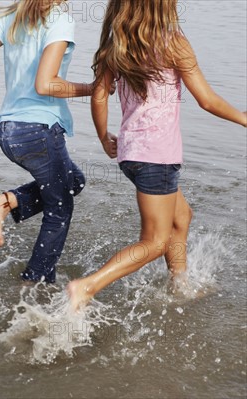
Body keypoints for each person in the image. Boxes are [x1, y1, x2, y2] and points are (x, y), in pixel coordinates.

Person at [67, 0, 247, 310]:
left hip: (132, 153)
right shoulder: (173, 42)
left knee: (181, 217)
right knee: (154, 241)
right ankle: (87, 286)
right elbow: (206, 100)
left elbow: (99, 96)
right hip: (157, 156)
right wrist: (243, 118)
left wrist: (103, 136)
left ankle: (180, 285)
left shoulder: (117, 45)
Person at [0, 0, 92, 283]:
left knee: (74, 181)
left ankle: (5, 202)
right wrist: (93, 88)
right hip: (39, 131)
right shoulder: (59, 19)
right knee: (59, 210)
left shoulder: (12, 18)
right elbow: (46, 84)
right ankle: (35, 285)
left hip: (8, 131)